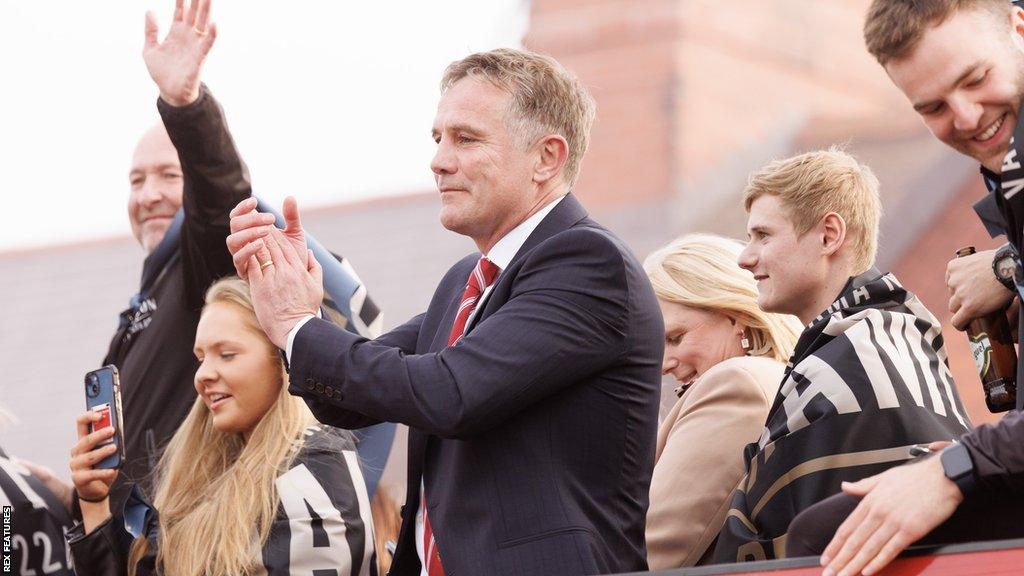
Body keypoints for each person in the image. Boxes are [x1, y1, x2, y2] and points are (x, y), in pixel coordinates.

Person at [226, 48, 664, 575]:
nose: (438, 160)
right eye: (438, 138)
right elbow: (349, 403)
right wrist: (299, 305)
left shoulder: (589, 264)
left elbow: (448, 393)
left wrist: (297, 326)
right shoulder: (465, 281)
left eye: (466, 138)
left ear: (546, 158)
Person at [780, 3, 1024, 574]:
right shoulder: (1010, 179)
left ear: (1019, 28)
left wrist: (961, 467)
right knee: (835, 527)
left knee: (831, 539)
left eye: (976, 79)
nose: (965, 117)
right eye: (933, 107)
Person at [711, 148, 972, 563]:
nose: (745, 258)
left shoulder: (846, 364)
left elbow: (786, 551)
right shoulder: (904, 342)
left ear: (829, 235)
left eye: (763, 235)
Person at [67, 277, 376, 576]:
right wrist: (93, 502)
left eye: (226, 355)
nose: (202, 376)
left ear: (281, 359)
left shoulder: (312, 465)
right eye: (200, 358)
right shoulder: (203, 475)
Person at [642, 234, 802, 568]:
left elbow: (652, 549)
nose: (663, 365)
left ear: (735, 316)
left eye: (674, 338)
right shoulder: (771, 379)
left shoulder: (737, 384)